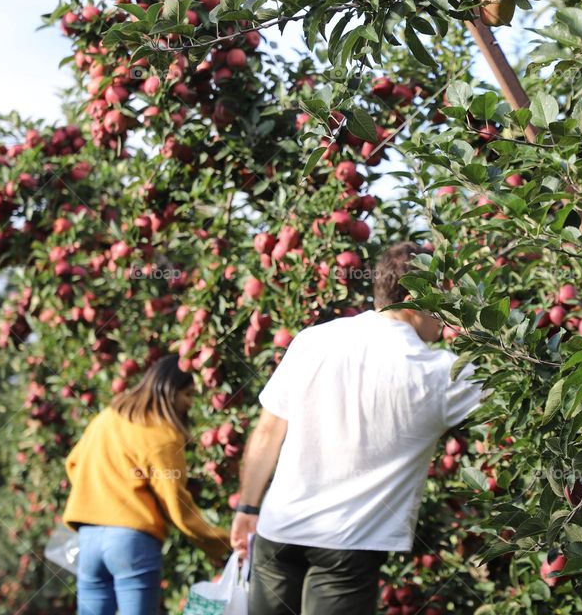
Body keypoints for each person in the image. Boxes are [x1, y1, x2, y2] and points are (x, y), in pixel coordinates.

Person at [230, 241, 484, 614]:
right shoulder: (441, 374)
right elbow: (516, 383)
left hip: (278, 529)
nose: (447, 313)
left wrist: (248, 507)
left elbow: (268, 432)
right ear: (417, 296)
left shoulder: (315, 339)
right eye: (444, 296)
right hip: (348, 545)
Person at [63, 355, 231, 615]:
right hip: (131, 539)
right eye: (187, 394)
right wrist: (221, 541)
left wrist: (102, 494)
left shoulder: (106, 418)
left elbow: (74, 464)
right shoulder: (161, 434)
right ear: (169, 390)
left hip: (89, 538)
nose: (189, 403)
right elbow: (176, 503)